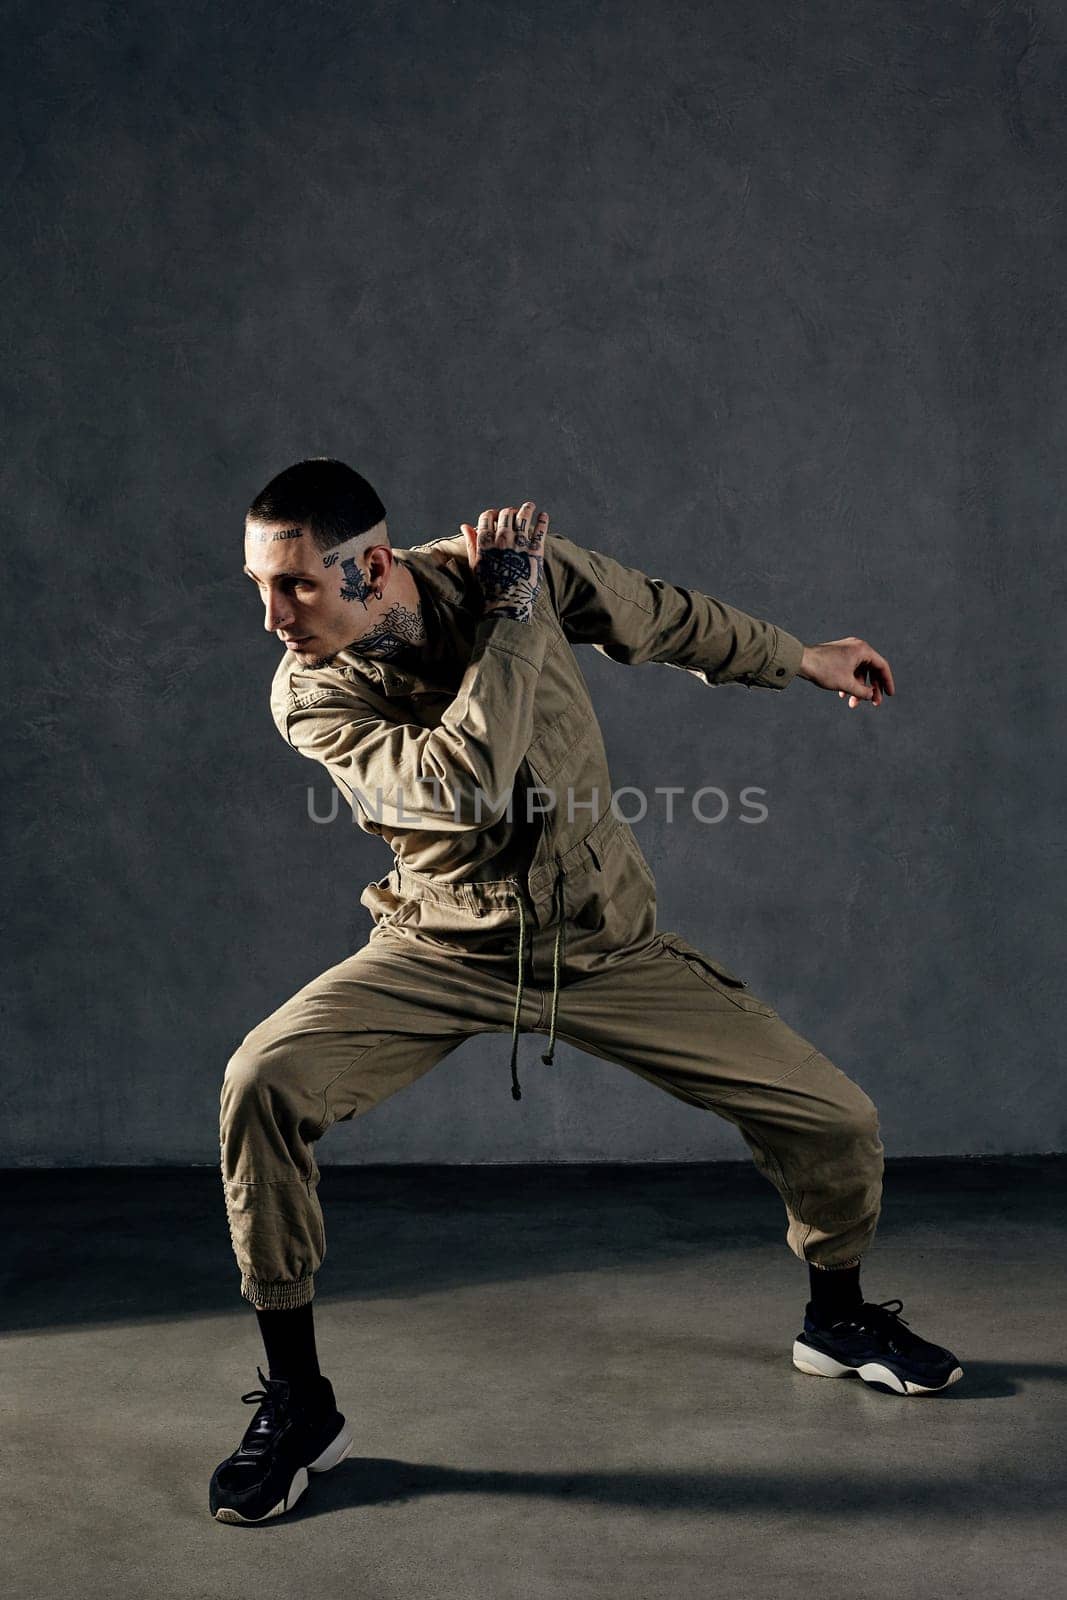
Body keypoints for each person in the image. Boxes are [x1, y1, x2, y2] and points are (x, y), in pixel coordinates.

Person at [209, 457, 962, 1525]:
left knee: (835, 1118)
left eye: (295, 586)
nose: (273, 615)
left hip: (598, 948)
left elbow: (661, 616)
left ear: (371, 565)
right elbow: (460, 788)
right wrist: (515, 615)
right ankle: (297, 1399)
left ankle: (833, 1318)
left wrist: (800, 657)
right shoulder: (313, 688)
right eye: (258, 587)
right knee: (261, 1083)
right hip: (439, 949)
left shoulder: (511, 572)